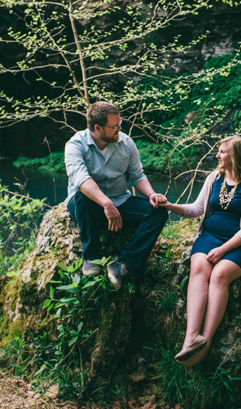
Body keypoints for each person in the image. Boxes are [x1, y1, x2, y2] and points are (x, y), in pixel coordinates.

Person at [158, 135, 241, 366]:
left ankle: (205, 341)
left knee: (220, 275)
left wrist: (223, 249)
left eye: (222, 152)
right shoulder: (213, 179)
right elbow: (196, 209)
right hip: (209, 237)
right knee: (199, 267)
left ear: (235, 155)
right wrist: (169, 206)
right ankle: (191, 338)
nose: (217, 155)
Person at [64, 101, 169, 290]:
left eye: (120, 124)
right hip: (85, 203)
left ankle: (124, 264)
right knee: (83, 196)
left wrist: (152, 194)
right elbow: (81, 180)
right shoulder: (75, 144)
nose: (119, 129)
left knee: (158, 212)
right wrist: (106, 203)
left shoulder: (126, 143)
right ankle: (92, 257)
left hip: (120, 199)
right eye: (114, 126)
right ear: (97, 128)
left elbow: (137, 176)